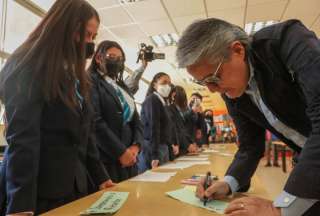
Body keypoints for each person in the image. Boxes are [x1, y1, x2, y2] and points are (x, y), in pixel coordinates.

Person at [176, 18, 320, 215]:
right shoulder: (232, 91)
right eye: (203, 82)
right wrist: (228, 183)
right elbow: (250, 146)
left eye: (213, 78)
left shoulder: (287, 40)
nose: (212, 89)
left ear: (237, 50)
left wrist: (278, 210)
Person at [0, 1, 114, 215]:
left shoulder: (74, 73)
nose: (89, 43)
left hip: (74, 188)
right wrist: (21, 205)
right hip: (38, 194)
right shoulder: (26, 65)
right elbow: (23, 139)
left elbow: (85, 134)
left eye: (93, 37)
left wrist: (102, 177)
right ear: (65, 28)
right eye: (86, 35)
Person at [88, 40, 143, 183]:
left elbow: (136, 120)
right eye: (112, 57)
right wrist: (121, 152)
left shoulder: (121, 86)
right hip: (107, 159)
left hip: (131, 157)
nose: (117, 61)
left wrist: (136, 146)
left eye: (120, 59)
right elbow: (95, 120)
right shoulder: (90, 81)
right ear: (99, 58)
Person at [140, 72, 178, 170]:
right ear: (154, 84)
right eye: (164, 82)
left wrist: (170, 146)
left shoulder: (162, 102)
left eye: (169, 83)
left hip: (162, 146)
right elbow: (154, 127)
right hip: (154, 147)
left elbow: (165, 128)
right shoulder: (152, 100)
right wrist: (154, 155)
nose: (167, 86)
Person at [167, 85, 198, 155]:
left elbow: (183, 130)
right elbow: (176, 131)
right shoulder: (170, 109)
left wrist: (191, 142)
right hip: (177, 147)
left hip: (184, 146)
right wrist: (188, 145)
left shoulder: (178, 110)